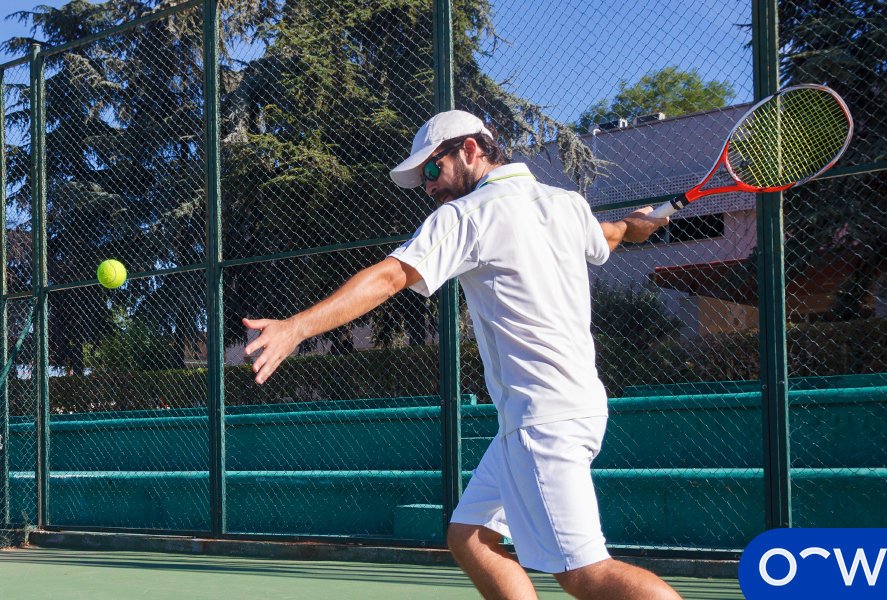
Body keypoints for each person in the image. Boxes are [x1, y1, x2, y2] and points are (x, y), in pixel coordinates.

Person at [244, 110, 682, 600]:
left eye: (432, 169)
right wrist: (633, 224)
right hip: (570, 407)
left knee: (585, 574)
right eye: (422, 179)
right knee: (470, 535)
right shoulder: (567, 204)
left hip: (542, 418)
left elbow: (388, 278)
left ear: (471, 150)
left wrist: (295, 328)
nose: (428, 186)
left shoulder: (467, 215)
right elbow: (608, 236)